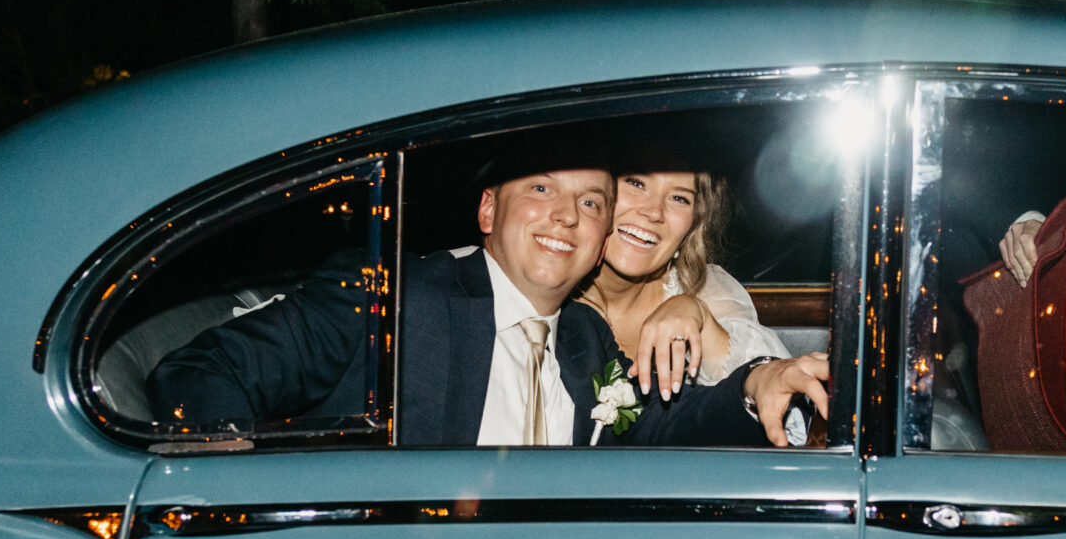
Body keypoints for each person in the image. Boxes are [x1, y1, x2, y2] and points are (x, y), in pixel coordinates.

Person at [149, 148, 831, 447]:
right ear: (486, 210)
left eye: (590, 202)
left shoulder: (584, 341)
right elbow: (204, 371)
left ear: (601, 237)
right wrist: (228, 508)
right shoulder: (392, 299)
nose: (565, 215)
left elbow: (658, 431)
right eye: (541, 188)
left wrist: (757, 383)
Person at [578, 166, 789, 402]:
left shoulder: (706, 290)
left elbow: (778, 402)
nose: (654, 212)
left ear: (694, 223)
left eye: (679, 198)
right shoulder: (550, 288)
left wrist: (701, 318)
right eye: (636, 183)